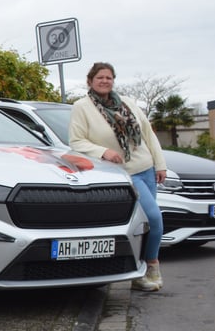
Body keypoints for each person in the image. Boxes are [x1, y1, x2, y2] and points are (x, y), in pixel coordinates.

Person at [68, 62, 166, 292]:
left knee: (145, 226)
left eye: (109, 77)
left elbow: (148, 134)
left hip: (146, 168)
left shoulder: (127, 103)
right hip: (122, 175)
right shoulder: (82, 107)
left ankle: (138, 273)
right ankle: (152, 265)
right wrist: (103, 152)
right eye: (100, 77)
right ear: (90, 81)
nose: (105, 81)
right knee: (154, 219)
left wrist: (160, 164)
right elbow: (76, 141)